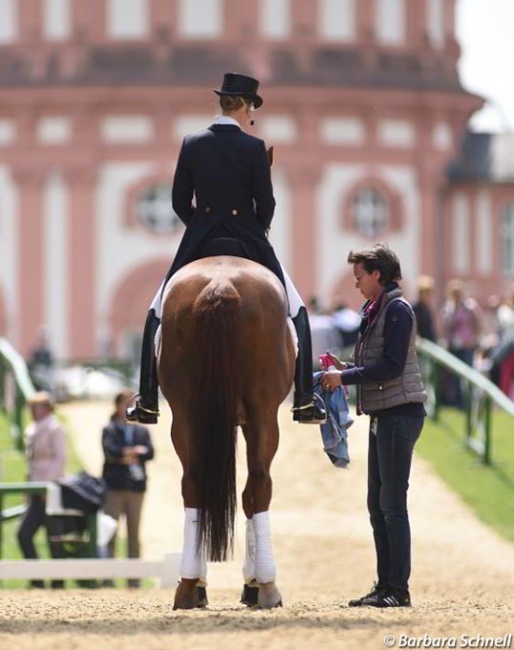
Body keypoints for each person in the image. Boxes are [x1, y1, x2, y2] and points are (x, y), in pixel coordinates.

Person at [126, 72, 325, 426]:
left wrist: (202, 223)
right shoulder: (253, 147)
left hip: (200, 237)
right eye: (253, 108)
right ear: (246, 106)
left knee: (156, 312)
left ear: (221, 103)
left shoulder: (192, 142)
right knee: (298, 311)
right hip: (248, 237)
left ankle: (147, 401)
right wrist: (255, 227)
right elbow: (266, 204)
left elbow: (178, 202)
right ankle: (306, 400)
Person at [322, 243, 427, 608]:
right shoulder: (377, 308)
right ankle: (385, 586)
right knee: (377, 504)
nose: (356, 284)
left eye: (360, 276)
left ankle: (398, 589)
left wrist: (344, 378)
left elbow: (392, 366)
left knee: (392, 504)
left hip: (401, 413)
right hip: (385, 414)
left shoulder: (397, 310)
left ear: (377, 274)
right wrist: (343, 366)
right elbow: (373, 360)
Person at [101, 389, 155, 587]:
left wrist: (126, 454)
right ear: (117, 406)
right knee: (111, 533)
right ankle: (107, 578)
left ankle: (134, 579)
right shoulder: (109, 429)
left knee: (134, 533)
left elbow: (149, 453)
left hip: (136, 488)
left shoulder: (142, 430)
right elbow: (111, 453)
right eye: (125, 403)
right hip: (114, 487)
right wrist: (133, 453)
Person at [17, 391, 67, 589]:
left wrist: (48, 485)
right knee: (24, 534)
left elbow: (60, 459)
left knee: (54, 537)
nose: (34, 411)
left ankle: (58, 582)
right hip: (35, 487)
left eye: (37, 407)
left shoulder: (55, 428)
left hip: (49, 489)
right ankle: (37, 579)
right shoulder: (33, 429)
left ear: (46, 408)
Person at [412, 275, 436, 342]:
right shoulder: (415, 308)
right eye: (426, 293)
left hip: (430, 342)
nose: (428, 296)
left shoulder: (426, 308)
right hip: (421, 345)